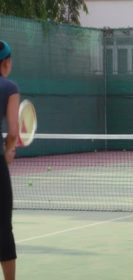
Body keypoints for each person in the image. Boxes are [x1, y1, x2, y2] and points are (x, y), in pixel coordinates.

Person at [0, 40, 20, 280]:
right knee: (3, 226)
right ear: (6, 62)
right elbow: (13, 132)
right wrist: (8, 151)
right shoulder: (10, 87)